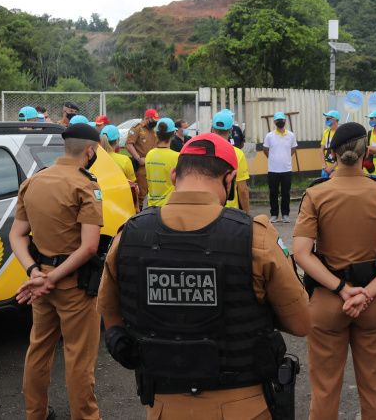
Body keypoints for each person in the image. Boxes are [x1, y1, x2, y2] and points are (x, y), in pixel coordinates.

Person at [97, 133, 310, 419]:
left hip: (162, 407)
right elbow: (300, 323)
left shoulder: (130, 235)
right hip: (244, 406)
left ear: (174, 175)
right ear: (229, 178)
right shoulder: (255, 237)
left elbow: (112, 320)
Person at [293, 122, 376, 420]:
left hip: (327, 301)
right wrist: (366, 294)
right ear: (366, 151)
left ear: (332, 153)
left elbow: (301, 253)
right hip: (373, 303)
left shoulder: (316, 194)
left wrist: (341, 289)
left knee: (324, 393)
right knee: (375, 393)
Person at [9, 123, 105, 420]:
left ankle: (35, 414)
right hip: (74, 285)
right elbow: (89, 247)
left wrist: (35, 272)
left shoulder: (34, 182)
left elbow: (17, 235)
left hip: (41, 284)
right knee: (79, 359)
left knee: (38, 350)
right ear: (90, 151)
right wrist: (50, 277)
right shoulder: (87, 185)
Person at [213, 110, 250, 213]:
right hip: (231, 211)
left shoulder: (204, 150)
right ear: (231, 130)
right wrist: (247, 215)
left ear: (212, 128)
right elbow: (242, 189)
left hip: (209, 208)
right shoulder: (237, 154)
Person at [263, 112, 298, 223]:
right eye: (277, 120)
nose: (280, 122)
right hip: (273, 169)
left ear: (285, 121)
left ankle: (285, 215)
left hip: (286, 169)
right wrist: (273, 158)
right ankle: (274, 215)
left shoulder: (291, 135)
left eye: (281, 120)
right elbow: (265, 150)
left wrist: (285, 157)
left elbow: (293, 150)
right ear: (274, 122)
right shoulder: (269, 136)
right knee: (273, 193)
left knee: (286, 193)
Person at [145, 118, 181, 208]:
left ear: (156, 133)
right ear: (173, 133)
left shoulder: (149, 154)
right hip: (168, 206)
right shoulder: (177, 157)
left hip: (150, 206)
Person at [126, 108, 160, 202]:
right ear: (146, 118)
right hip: (142, 166)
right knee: (140, 194)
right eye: (153, 120)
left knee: (153, 192)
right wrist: (138, 158)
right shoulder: (137, 128)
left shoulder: (154, 129)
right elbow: (129, 145)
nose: (154, 123)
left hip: (153, 165)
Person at [320, 110, 341, 179]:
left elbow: (343, 153)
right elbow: (322, 149)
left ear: (334, 120)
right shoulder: (326, 132)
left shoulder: (341, 132)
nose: (326, 120)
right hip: (325, 168)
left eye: (328, 119)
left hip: (337, 168)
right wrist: (325, 165)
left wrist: (332, 167)